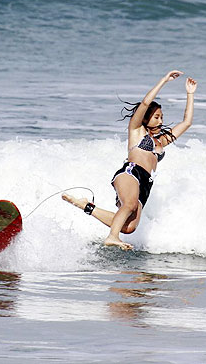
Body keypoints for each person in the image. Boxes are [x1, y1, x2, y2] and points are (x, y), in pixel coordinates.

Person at [63, 70, 197, 250]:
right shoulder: (136, 131)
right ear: (146, 118)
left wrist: (190, 94)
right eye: (156, 117)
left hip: (146, 184)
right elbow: (145, 102)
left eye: (162, 118)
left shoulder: (161, 141)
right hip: (131, 172)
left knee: (129, 227)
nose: (160, 121)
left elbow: (186, 123)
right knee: (129, 205)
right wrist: (164, 80)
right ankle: (112, 236)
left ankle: (86, 206)